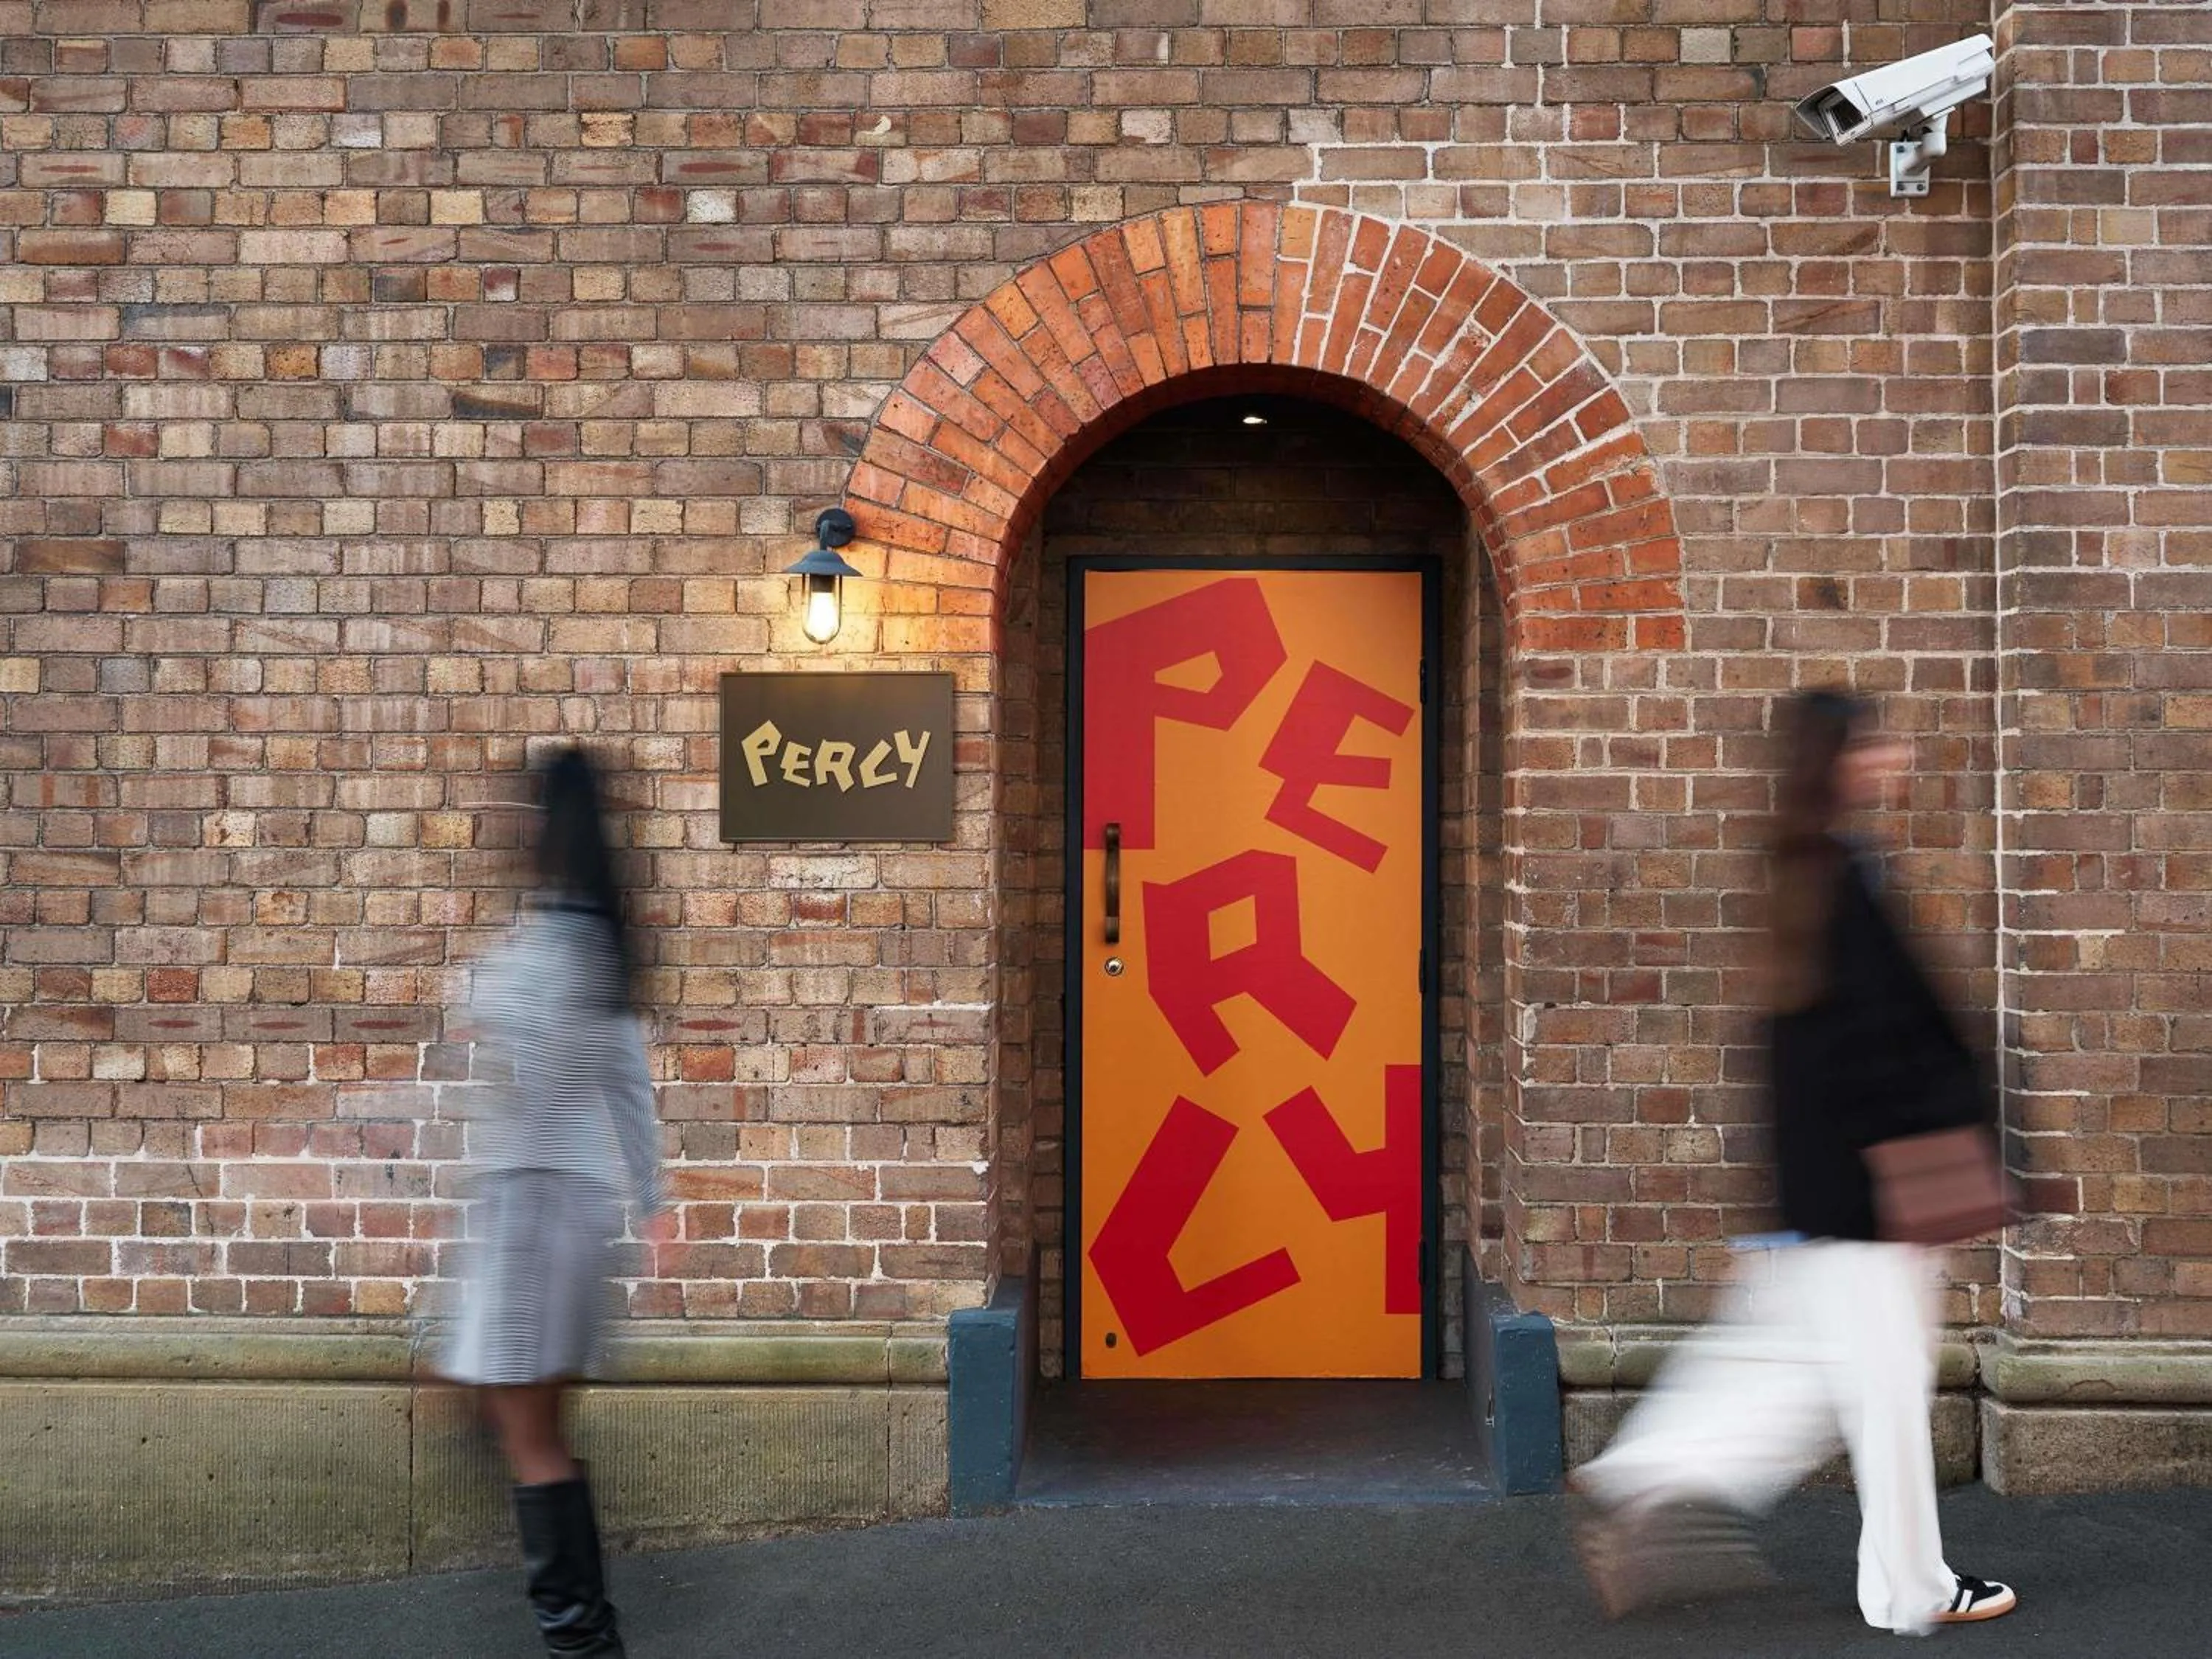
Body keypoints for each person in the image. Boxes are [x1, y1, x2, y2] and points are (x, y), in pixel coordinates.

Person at [1568, 689, 2017, 1635]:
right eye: (1879, 742)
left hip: (1821, 1191)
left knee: (1782, 1373)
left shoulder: (1793, 874)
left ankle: (1638, 1477)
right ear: (1844, 759)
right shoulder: (1848, 878)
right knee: (1884, 1396)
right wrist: (1928, 1179)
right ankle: (1913, 1590)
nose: (1896, 757)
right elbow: (1890, 1046)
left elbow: (1793, 1057)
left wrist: (1779, 1202)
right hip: (1873, 1195)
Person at [442, 745, 666, 1659]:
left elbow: (522, 1097)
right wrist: (655, 1204)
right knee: (536, 1428)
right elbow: (630, 1087)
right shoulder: (599, 947)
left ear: (544, 827)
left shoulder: (539, 955)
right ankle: (589, 1634)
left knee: (525, 1432)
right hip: (575, 1212)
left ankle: (584, 1645)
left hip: (527, 1208)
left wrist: (478, 1003)